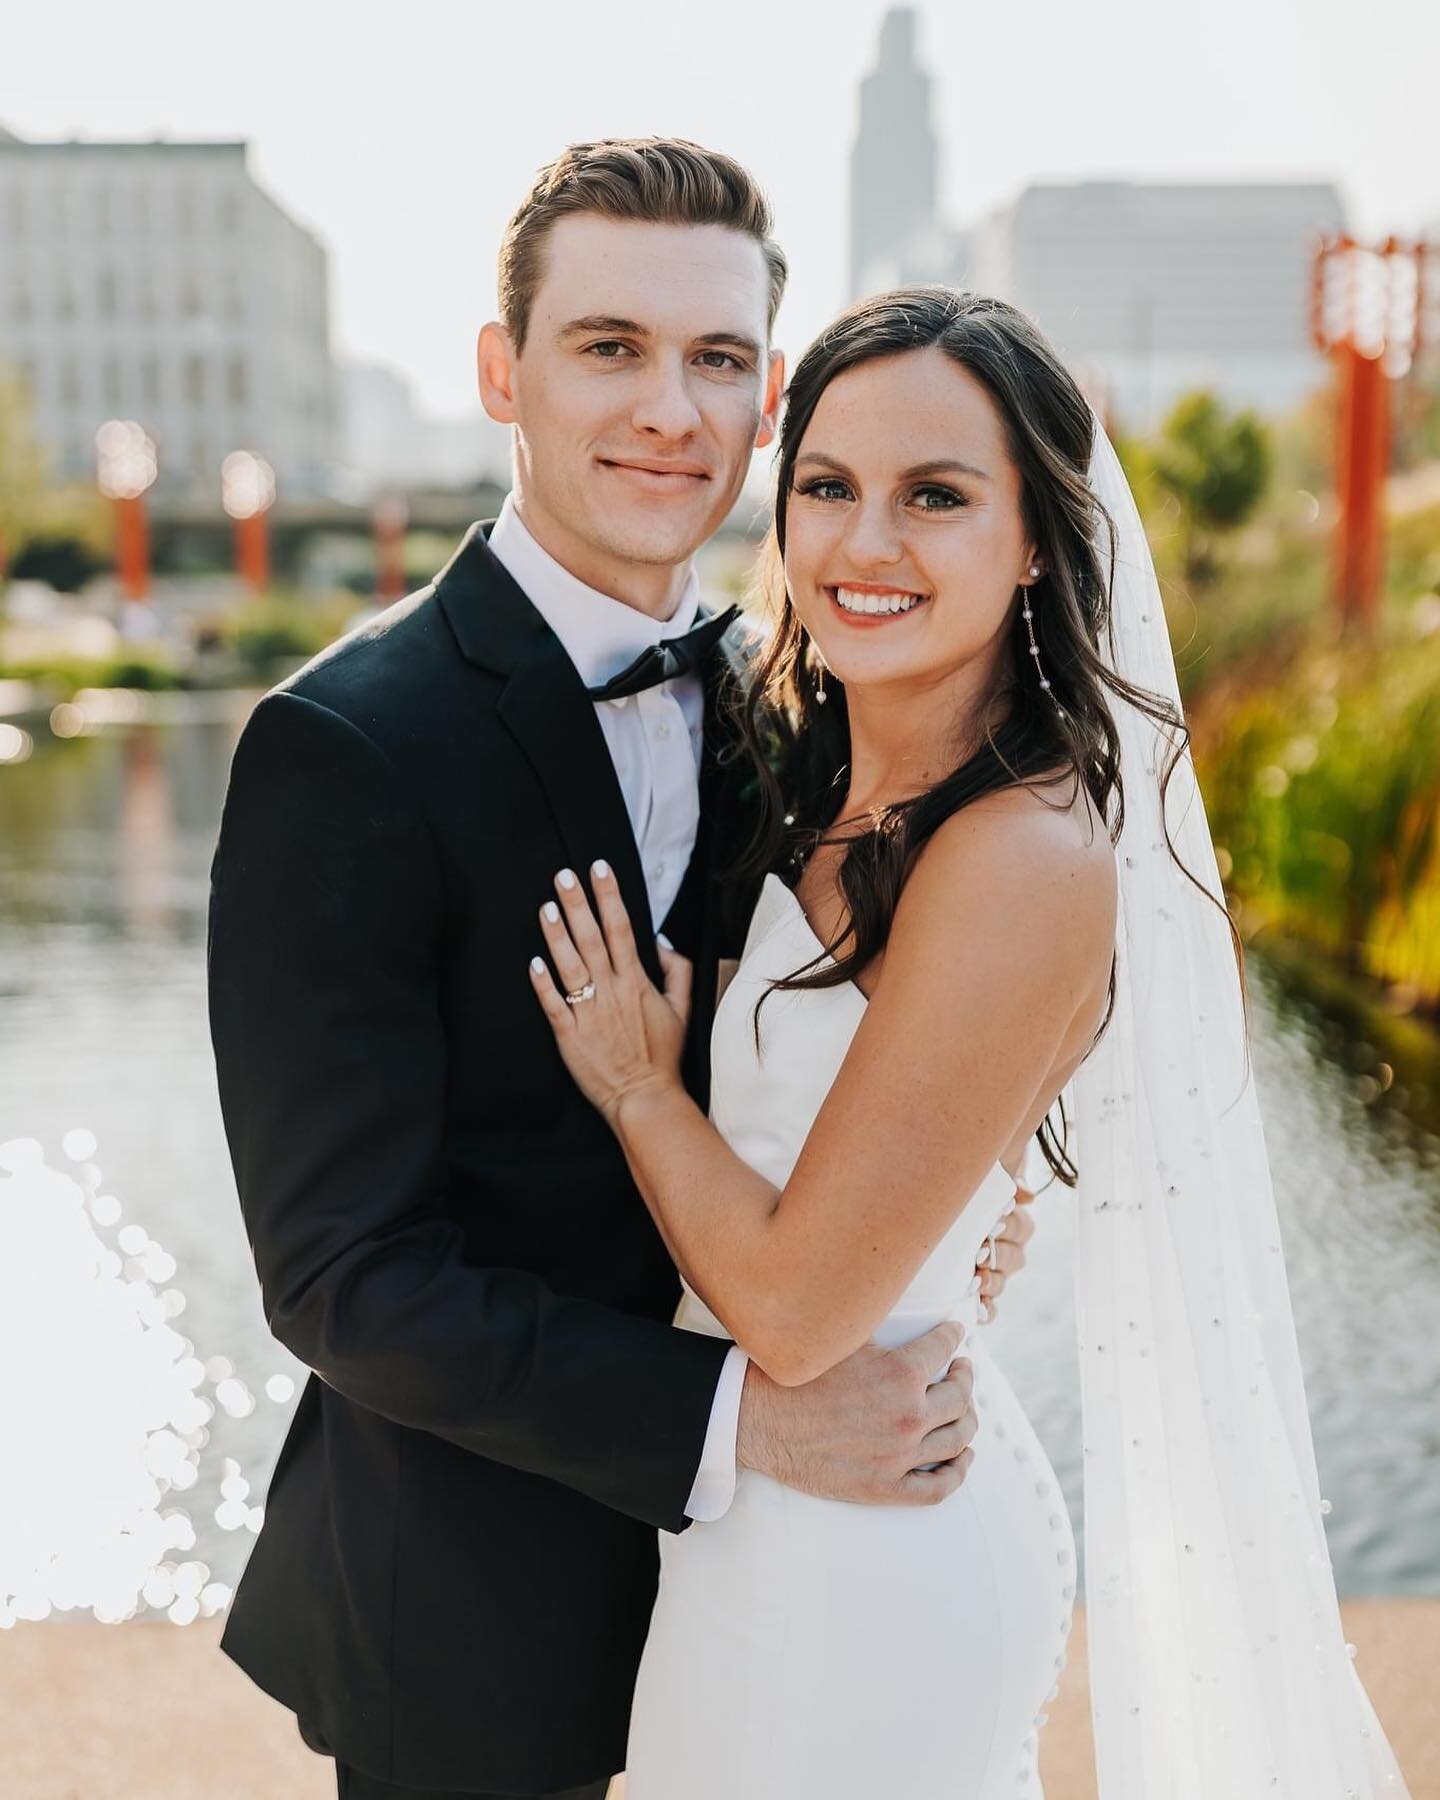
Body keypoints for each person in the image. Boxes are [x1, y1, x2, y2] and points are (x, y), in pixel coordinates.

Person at [206, 142, 1035, 1800]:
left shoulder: (799, 698)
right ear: (503, 372)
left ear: (770, 394)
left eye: (717, 359)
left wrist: (956, 1201)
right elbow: (342, 1279)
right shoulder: (341, 751)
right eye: (611, 347)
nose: (672, 406)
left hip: (796, 1589)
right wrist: (743, 1419)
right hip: (480, 1614)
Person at [529, 288, 1415, 1798]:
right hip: (769, 1520)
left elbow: (803, 1315)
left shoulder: (1021, 856)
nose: (867, 545)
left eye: (936, 497)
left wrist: (630, 1085)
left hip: (862, 1556)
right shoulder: (822, 788)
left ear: (1034, 545)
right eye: (830, 487)